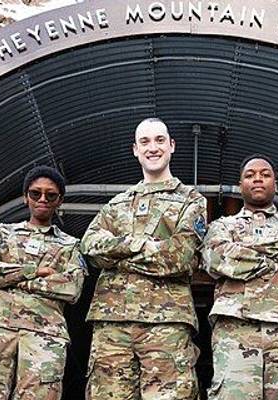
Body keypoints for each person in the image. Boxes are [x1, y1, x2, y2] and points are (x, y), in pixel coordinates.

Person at [80, 118, 207, 399]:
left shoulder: (191, 200)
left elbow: (179, 256)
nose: (153, 148)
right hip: (112, 323)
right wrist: (142, 245)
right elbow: (89, 247)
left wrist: (118, 256)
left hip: (166, 323)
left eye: (160, 140)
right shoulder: (117, 204)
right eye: (145, 142)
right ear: (135, 150)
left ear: (172, 145)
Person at [0, 165, 87, 400]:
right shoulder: (2, 233)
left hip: (44, 333)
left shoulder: (71, 245)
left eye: (51, 195)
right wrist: (33, 272)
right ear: (25, 197)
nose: (43, 199)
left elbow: (71, 288)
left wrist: (12, 279)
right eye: (35, 193)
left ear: (60, 201)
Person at [202, 154, 278, 399]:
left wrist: (243, 247)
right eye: (250, 175)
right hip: (236, 332)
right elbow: (216, 258)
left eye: (265, 175)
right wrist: (276, 264)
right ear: (240, 186)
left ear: (275, 185)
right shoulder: (221, 226)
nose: (258, 179)